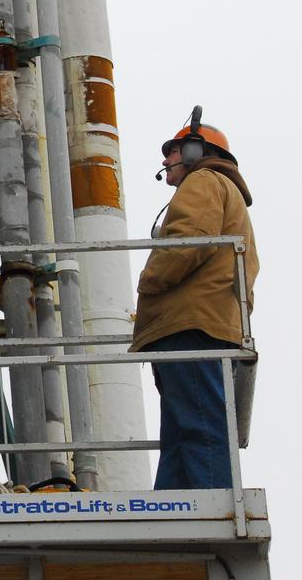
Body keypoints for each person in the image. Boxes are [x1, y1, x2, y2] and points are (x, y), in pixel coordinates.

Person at [131, 119, 258, 490]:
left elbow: (189, 241)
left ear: (196, 152)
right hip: (202, 326)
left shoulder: (203, 182)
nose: (167, 159)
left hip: (190, 328)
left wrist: (148, 283)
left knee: (198, 426)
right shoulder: (227, 195)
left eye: (173, 149)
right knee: (182, 431)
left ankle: (213, 505)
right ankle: (170, 509)